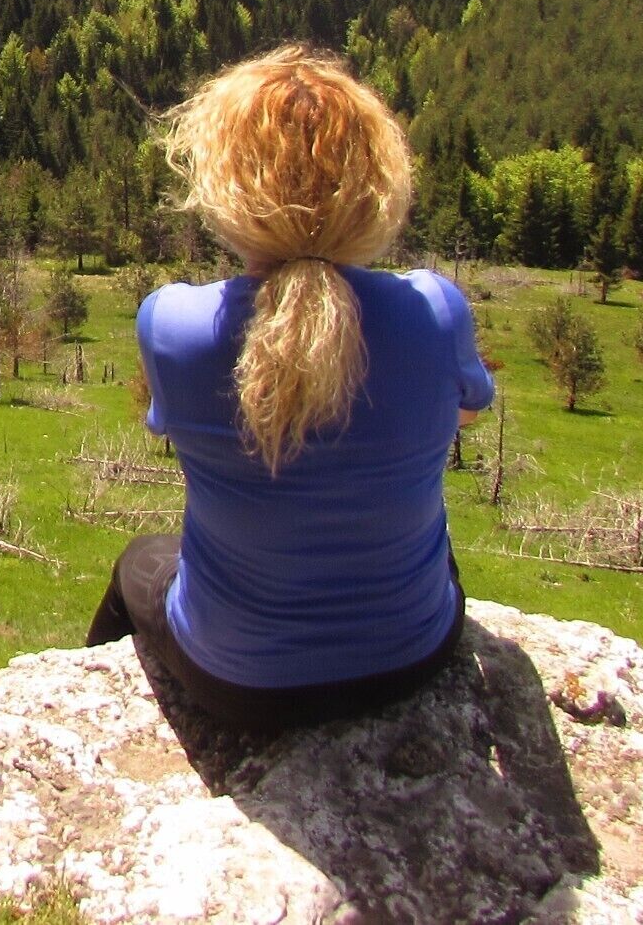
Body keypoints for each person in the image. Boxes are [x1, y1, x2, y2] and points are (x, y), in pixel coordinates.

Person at [87, 44, 494, 732]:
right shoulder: (435, 309)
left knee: (142, 560)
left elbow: (171, 426)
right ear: (376, 185)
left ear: (225, 188)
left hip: (238, 681)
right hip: (414, 656)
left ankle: (89, 717)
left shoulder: (174, 323)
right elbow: (465, 416)